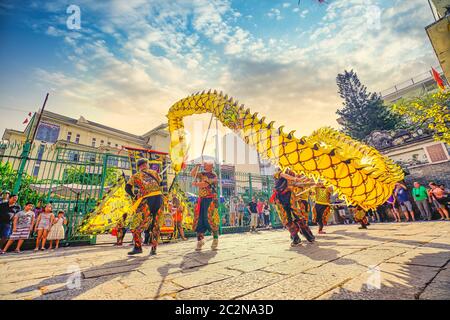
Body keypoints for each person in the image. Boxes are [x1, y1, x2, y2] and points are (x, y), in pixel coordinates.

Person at [125, 158, 163, 255]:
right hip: (159, 199)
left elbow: (127, 188)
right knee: (156, 224)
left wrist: (134, 196)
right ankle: (154, 249)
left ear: (139, 167)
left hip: (147, 200)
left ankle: (138, 247)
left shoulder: (136, 175)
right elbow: (160, 183)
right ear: (147, 164)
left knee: (135, 225)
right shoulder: (155, 173)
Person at [271, 168, 315, 246]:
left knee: (298, 216)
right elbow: (284, 175)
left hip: (290, 197)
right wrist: (297, 179)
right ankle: (296, 238)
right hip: (279, 199)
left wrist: (312, 182)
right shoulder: (278, 174)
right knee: (286, 219)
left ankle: (309, 236)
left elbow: (299, 183)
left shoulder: (292, 176)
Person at [191, 161, 220, 251]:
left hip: (210, 200)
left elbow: (205, 184)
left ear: (210, 166)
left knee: (210, 219)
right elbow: (192, 174)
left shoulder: (213, 175)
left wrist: (196, 184)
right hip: (201, 199)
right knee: (199, 219)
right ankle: (200, 241)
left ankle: (215, 239)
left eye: (206, 164)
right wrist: (196, 166)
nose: (204, 165)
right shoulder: (202, 173)